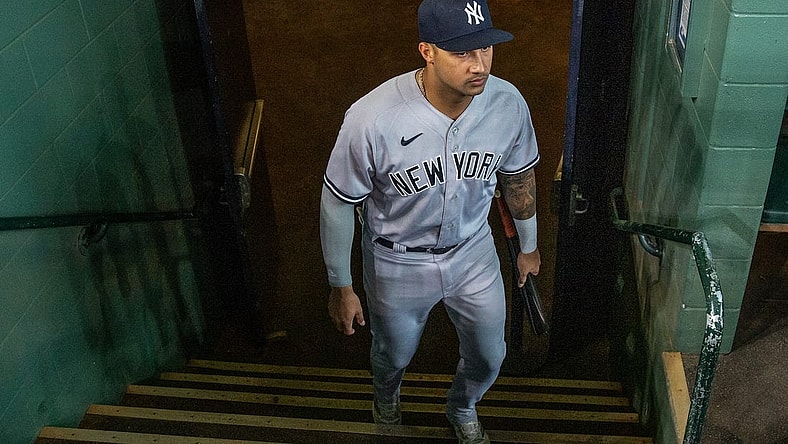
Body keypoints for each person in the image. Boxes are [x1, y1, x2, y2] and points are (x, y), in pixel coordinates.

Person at [319, 0, 540, 442]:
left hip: (474, 251)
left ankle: (462, 406)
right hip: (397, 262)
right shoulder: (371, 117)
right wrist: (341, 285)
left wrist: (529, 248)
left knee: (489, 354)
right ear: (427, 51)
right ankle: (387, 401)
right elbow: (338, 201)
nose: (479, 65)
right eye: (462, 52)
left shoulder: (507, 102)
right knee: (393, 352)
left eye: (485, 49)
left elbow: (519, 178)